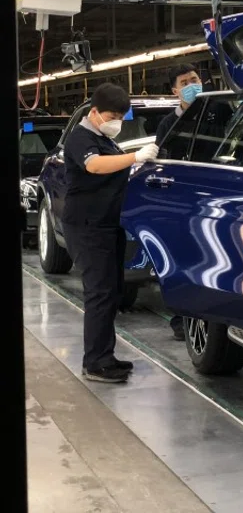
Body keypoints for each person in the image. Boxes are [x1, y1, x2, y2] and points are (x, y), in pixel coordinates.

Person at [62, 82, 158, 383]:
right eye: (112, 115)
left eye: (121, 116)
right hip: (88, 227)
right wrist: (135, 157)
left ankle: (105, 355)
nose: (116, 121)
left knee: (112, 291)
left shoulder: (105, 139)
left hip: (107, 225)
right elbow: (95, 167)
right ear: (95, 112)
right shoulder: (81, 137)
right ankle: (94, 363)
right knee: (100, 294)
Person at [154, 62, 204, 341]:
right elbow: (164, 163)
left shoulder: (219, 111)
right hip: (181, 202)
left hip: (209, 197)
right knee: (180, 261)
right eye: (185, 82)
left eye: (194, 78)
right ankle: (179, 317)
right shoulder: (168, 124)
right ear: (176, 91)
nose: (191, 85)